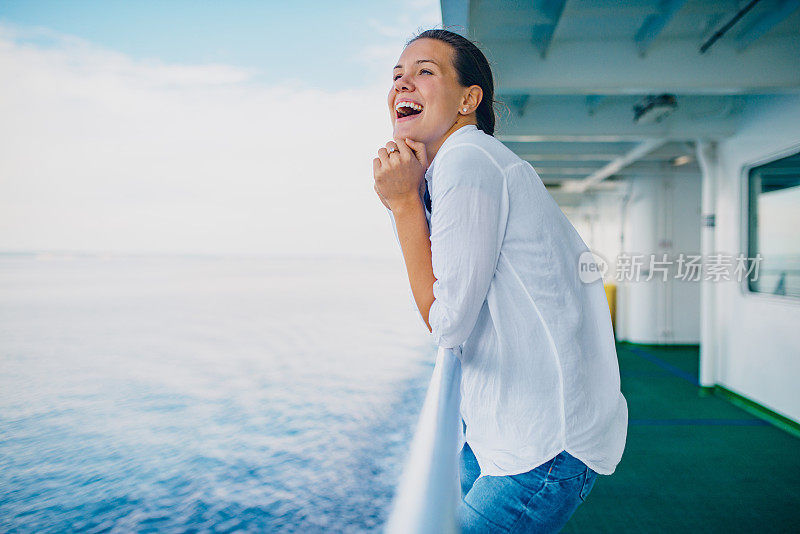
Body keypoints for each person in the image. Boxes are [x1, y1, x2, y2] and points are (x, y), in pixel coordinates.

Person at [372, 28, 628, 533]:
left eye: (425, 71)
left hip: (543, 446)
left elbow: (447, 323)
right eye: (397, 75)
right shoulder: (464, 164)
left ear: (469, 99)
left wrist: (402, 204)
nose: (404, 84)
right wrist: (414, 192)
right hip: (516, 430)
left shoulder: (469, 159)